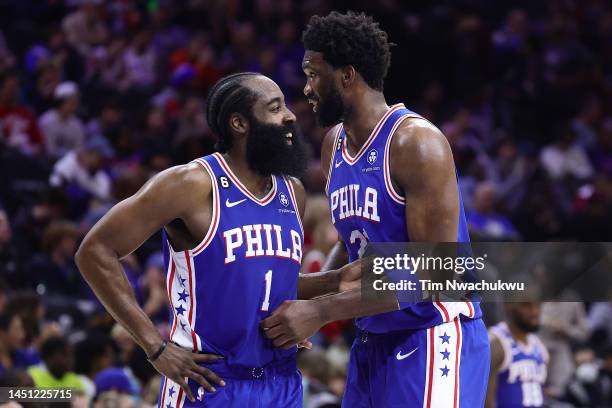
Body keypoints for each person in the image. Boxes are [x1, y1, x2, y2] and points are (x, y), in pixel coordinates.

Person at [76, 72, 359, 407]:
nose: (290, 116)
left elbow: (263, 282)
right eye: (274, 107)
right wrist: (155, 346)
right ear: (239, 123)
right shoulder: (190, 184)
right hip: (210, 383)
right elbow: (95, 251)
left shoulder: (291, 191)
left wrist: (332, 282)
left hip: (281, 383)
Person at [261, 11, 490, 407]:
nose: (308, 88)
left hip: (433, 333)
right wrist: (304, 291)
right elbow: (353, 248)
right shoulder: (334, 143)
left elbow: (434, 272)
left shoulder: (416, 144)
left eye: (314, 74)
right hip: (373, 340)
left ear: (347, 76)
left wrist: (321, 310)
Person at [486, 303, 548, 408]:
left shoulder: (539, 345)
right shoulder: (496, 342)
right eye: (526, 306)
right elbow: (483, 399)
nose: (534, 312)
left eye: (537, 306)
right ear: (509, 306)